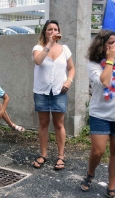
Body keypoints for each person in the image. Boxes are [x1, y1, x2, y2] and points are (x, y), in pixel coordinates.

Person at [80, 30, 115, 198]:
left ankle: (112, 187)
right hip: (100, 114)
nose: (114, 46)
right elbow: (105, 81)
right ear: (101, 44)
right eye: (110, 43)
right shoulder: (93, 65)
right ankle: (90, 173)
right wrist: (110, 59)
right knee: (98, 151)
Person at [31, 20, 75, 170]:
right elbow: (38, 61)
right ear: (45, 32)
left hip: (59, 91)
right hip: (41, 91)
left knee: (59, 124)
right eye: (50, 29)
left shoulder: (65, 49)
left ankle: (61, 156)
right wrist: (49, 44)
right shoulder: (38, 48)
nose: (53, 31)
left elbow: (71, 68)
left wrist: (69, 81)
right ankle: (43, 154)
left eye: (55, 29)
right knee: (43, 124)